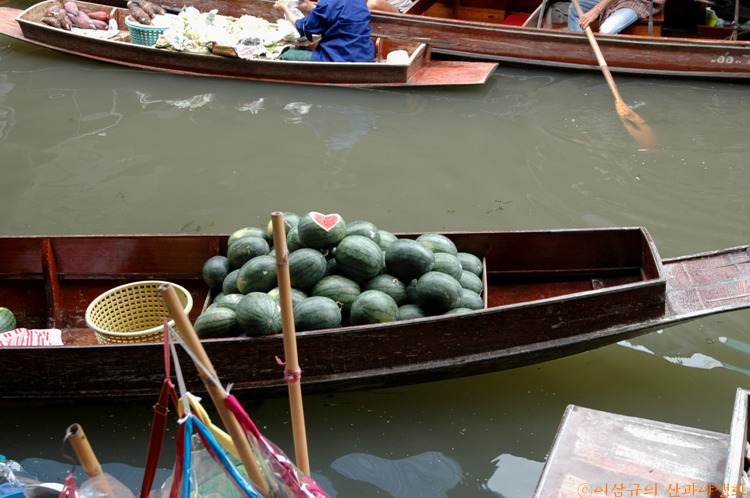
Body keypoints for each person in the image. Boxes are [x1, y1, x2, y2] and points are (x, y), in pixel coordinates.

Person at [274, 0, 375, 62]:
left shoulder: (328, 2)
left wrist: (285, 9)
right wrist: (309, 7)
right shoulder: (360, 1)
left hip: (340, 57)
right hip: (365, 55)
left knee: (287, 55)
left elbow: (304, 26)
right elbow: (329, 15)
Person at [567, 0, 665, 34]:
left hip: (639, 1)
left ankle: (605, 59)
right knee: (576, 7)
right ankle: (578, 50)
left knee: (607, 30)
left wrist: (595, 11)